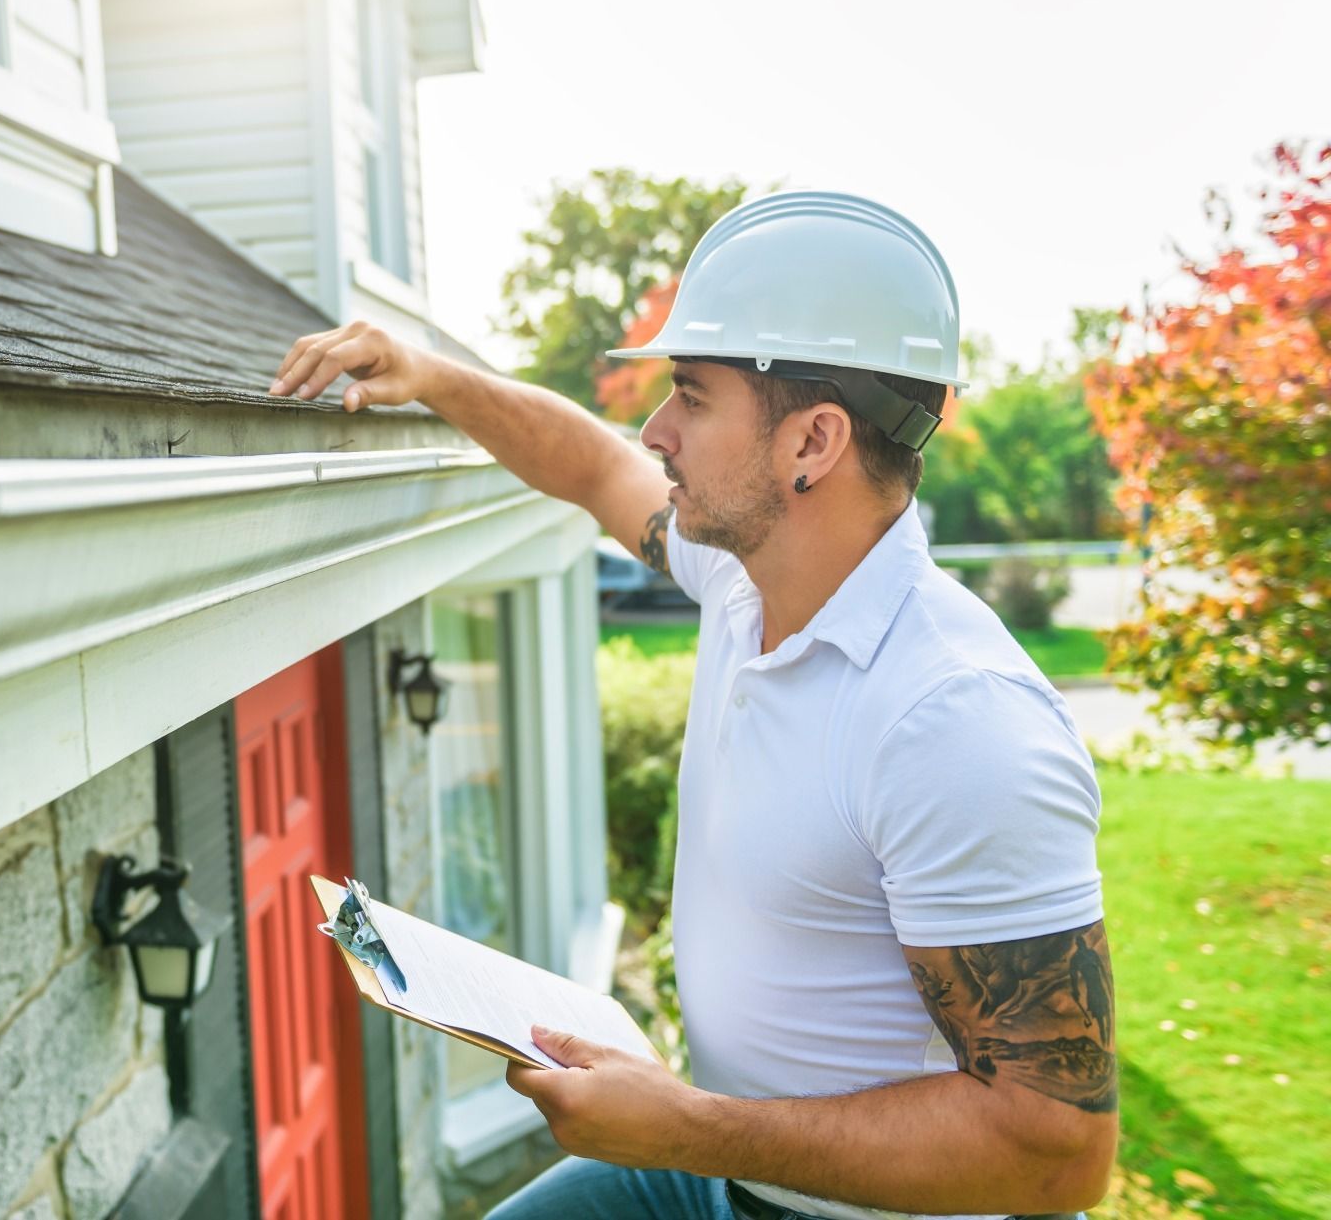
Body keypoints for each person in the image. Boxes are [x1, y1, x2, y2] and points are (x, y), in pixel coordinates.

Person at [267, 192, 1115, 1220]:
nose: (655, 429)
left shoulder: (954, 722)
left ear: (814, 441)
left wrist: (681, 1126)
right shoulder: (738, 575)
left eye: (692, 397)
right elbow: (592, 464)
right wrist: (431, 374)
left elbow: (1053, 1153)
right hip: (719, 1152)